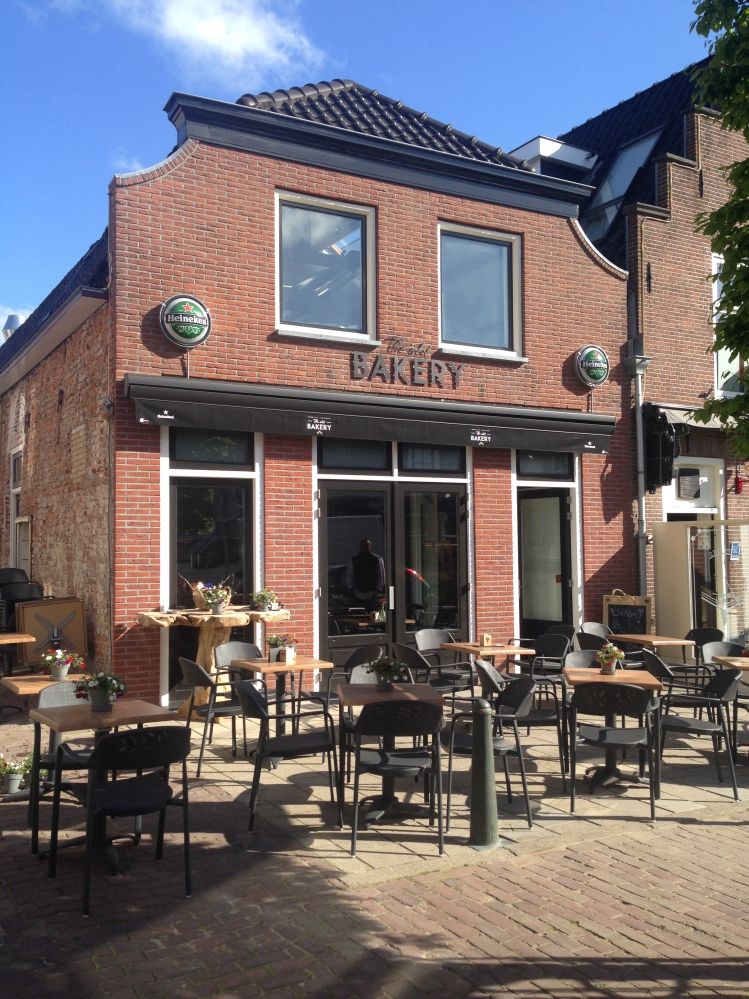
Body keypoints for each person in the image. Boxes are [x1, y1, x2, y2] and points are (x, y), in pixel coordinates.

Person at [345, 538, 385, 610]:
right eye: (363, 546)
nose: (365, 547)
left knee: (372, 615)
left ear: (370, 546)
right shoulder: (354, 560)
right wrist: (352, 589)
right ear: (360, 546)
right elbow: (349, 576)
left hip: (372, 594)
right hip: (358, 593)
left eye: (367, 545)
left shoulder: (377, 559)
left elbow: (381, 576)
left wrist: (377, 590)